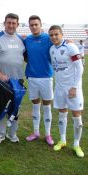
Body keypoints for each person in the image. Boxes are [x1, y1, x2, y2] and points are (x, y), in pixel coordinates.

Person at [0, 13, 26, 144]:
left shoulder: (21, 39)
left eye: (14, 23)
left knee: (15, 107)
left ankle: (12, 133)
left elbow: (27, 57)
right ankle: (0, 134)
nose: (11, 25)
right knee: (1, 106)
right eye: (9, 22)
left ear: (17, 25)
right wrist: (0, 74)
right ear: (4, 23)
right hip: (2, 80)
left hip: (18, 80)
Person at [49, 25, 84, 158]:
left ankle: (76, 144)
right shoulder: (51, 49)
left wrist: (74, 87)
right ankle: (63, 140)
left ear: (61, 34)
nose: (54, 37)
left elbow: (79, 67)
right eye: (51, 35)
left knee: (76, 116)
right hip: (59, 87)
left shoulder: (71, 47)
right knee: (62, 114)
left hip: (73, 88)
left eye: (56, 34)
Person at [24, 15, 54, 145]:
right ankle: (36, 132)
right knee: (35, 105)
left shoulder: (48, 38)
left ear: (41, 25)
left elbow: (60, 42)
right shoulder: (27, 40)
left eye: (36, 24)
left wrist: (68, 41)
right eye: (31, 25)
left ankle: (48, 134)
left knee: (47, 106)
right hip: (32, 77)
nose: (34, 27)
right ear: (29, 26)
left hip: (46, 77)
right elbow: (25, 56)